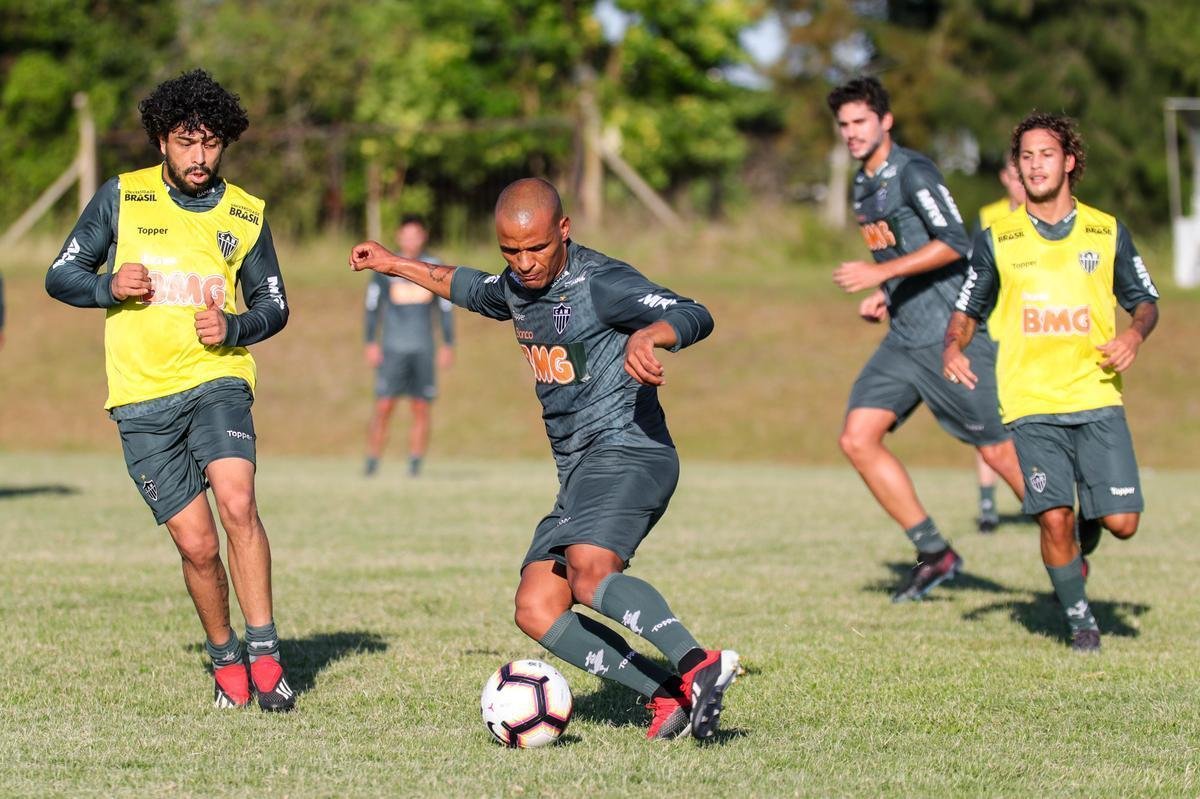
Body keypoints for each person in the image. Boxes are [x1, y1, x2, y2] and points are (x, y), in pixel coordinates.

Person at [348, 178, 739, 741]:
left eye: (536, 248)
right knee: (536, 606)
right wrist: (393, 263)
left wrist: (651, 335)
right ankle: (668, 696)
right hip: (578, 470)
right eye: (511, 250)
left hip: (629, 450)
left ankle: (698, 664)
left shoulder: (601, 281)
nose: (525, 263)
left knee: (588, 571)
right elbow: (462, 284)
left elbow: (693, 312)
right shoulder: (514, 286)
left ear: (564, 229)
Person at [45, 69, 295, 708]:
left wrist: (236, 324)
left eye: (211, 143)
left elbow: (275, 304)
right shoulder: (120, 199)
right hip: (141, 398)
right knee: (197, 543)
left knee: (237, 501)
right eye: (187, 142)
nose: (200, 157)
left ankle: (266, 655)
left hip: (217, 380)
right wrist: (107, 287)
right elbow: (60, 275)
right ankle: (225, 656)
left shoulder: (244, 213)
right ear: (162, 141)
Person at [944, 112, 1159, 652]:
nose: (1035, 165)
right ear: (1017, 167)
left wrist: (1134, 336)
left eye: (1046, 155)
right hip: (1030, 401)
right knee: (1054, 517)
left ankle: (1088, 530)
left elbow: (1145, 302)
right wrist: (953, 344)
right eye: (1026, 157)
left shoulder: (1106, 231)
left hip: (1096, 394)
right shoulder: (999, 238)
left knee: (1123, 522)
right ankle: (1081, 619)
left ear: (1069, 162)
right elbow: (968, 307)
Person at [826, 76, 1025, 602]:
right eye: (844, 124)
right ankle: (935, 552)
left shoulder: (913, 171)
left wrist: (875, 277)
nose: (851, 132)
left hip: (948, 337)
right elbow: (897, 255)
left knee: (1001, 453)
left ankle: (1069, 547)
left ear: (885, 121)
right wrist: (886, 291)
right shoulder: (862, 184)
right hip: (903, 338)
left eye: (861, 121)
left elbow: (955, 243)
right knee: (857, 438)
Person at [363, 215, 455, 477]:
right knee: (384, 406)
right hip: (393, 348)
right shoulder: (384, 267)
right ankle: (372, 460)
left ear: (423, 236)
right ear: (399, 237)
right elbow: (372, 307)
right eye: (407, 235)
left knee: (421, 407)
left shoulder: (435, 267)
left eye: (416, 234)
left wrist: (448, 344)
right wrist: (370, 341)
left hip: (423, 348)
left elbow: (446, 308)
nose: (411, 240)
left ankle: (415, 463)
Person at [973, 161, 1028, 533]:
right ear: (1004, 178)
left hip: (1034, 333)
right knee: (989, 422)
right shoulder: (987, 217)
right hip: (994, 333)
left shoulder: (1048, 218)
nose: (1019, 183)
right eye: (1013, 175)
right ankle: (988, 502)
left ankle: (1042, 495)